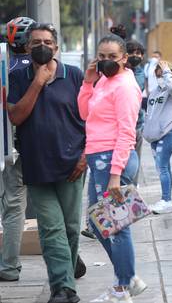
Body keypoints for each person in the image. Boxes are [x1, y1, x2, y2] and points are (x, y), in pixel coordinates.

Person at [7, 23, 86, 302]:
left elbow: (92, 119)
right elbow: (16, 116)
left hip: (72, 165)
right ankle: (63, 288)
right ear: (28, 48)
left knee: (71, 227)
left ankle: (66, 266)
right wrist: (38, 83)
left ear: (56, 47)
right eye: (36, 42)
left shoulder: (73, 76)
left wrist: (85, 155)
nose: (42, 46)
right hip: (37, 165)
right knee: (51, 228)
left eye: (47, 42)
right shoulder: (17, 77)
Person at [78, 34, 146, 302]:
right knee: (98, 225)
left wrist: (115, 175)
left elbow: (127, 133)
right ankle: (129, 279)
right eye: (101, 56)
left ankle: (123, 287)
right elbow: (84, 113)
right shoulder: (104, 81)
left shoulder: (125, 86)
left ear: (124, 58)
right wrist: (87, 82)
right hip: (99, 158)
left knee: (117, 227)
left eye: (112, 57)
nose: (106, 61)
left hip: (112, 160)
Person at [0, 16, 33, 283]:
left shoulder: (5, 66)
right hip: (31, 146)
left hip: (7, 147)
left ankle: (9, 267)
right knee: (47, 206)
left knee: (10, 206)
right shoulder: (37, 67)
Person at [143, 61, 172, 214]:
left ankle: (166, 201)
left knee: (161, 167)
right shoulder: (155, 91)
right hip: (154, 136)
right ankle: (168, 200)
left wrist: (167, 73)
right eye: (158, 73)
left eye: (162, 72)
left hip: (169, 132)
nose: (159, 75)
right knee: (164, 167)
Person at [125, 40, 146, 185]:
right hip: (121, 126)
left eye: (138, 53)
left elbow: (132, 89)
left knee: (134, 162)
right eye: (131, 52)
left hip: (136, 125)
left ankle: (133, 189)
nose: (134, 56)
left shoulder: (139, 73)